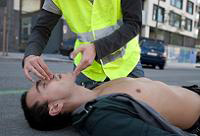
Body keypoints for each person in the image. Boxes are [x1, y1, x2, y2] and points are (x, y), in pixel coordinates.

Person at [21, 73, 200, 135]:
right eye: (43, 85)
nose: (48, 76)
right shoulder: (100, 118)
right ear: (55, 107)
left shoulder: (95, 88)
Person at [22, 0, 144, 89]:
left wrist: (97, 48)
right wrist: (31, 54)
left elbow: (134, 24)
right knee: (80, 115)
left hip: (126, 65)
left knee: (144, 113)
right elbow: (41, 29)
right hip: (86, 70)